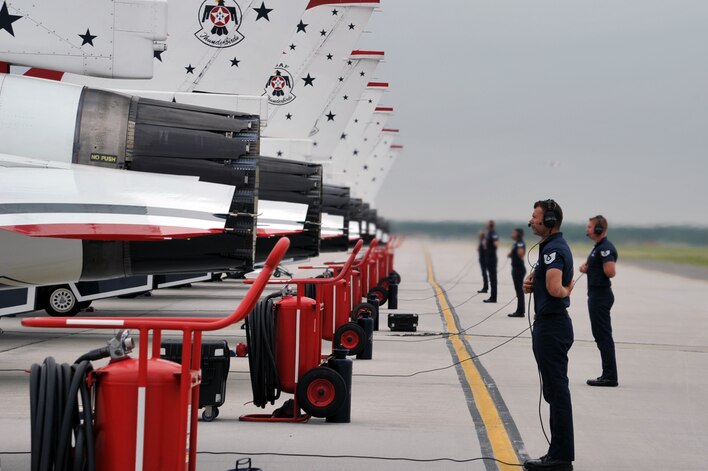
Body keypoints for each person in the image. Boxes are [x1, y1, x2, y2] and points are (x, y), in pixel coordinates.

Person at [523, 199, 575, 471]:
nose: (531, 221)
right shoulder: (551, 248)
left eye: (535, 216)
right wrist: (532, 284)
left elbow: (556, 288)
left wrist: (566, 290)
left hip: (552, 327)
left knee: (557, 392)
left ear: (550, 221)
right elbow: (547, 283)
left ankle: (560, 458)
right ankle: (558, 454)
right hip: (551, 325)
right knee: (554, 392)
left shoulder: (553, 250)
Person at [579, 215, 618, 387]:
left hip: (601, 296)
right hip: (596, 295)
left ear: (599, 229)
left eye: (590, 227)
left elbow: (610, 271)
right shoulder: (598, 247)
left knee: (603, 336)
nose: (587, 229)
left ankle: (610, 376)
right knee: (600, 336)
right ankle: (608, 374)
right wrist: (588, 268)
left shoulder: (605, 249)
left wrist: (599, 267)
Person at [508, 228, 527, 317]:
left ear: (518, 234)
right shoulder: (517, 243)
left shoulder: (519, 243)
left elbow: (520, 253)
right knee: (518, 290)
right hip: (516, 268)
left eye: (514, 233)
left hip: (518, 268)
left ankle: (520, 311)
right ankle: (520, 310)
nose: (512, 234)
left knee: (519, 290)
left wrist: (516, 253)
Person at [483, 220, 499, 303]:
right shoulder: (489, 233)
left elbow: (496, 244)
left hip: (492, 258)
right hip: (488, 257)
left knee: (493, 278)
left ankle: (493, 297)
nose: (486, 225)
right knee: (491, 277)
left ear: (490, 225)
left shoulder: (493, 234)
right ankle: (492, 296)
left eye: (487, 224)